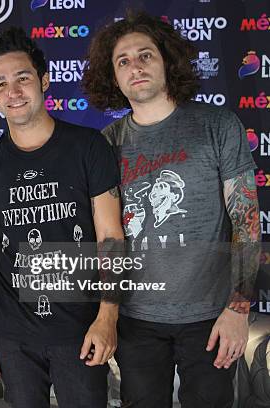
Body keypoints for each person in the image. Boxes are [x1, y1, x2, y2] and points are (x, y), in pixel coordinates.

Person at [83, 11, 260, 407]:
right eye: (122, 61)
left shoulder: (217, 125)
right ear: (113, 77)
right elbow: (105, 235)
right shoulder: (106, 143)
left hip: (210, 317)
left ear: (167, 61)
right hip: (137, 319)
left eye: (145, 55)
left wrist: (238, 308)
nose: (135, 67)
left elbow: (246, 222)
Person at [0, 27, 124, 408]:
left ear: (45, 81)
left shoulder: (88, 147)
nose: (12, 91)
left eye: (22, 78)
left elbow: (111, 236)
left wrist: (107, 316)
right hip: (12, 336)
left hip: (79, 330)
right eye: (1, 83)